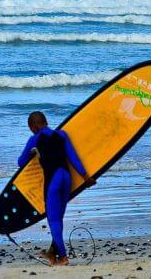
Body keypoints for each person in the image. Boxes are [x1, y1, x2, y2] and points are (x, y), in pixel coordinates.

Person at [18, 111, 95, 266]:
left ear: (33, 126)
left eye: (30, 128)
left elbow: (21, 162)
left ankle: (63, 257)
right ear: (46, 122)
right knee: (58, 219)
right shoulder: (62, 135)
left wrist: (34, 153)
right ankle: (53, 254)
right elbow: (73, 157)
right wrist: (86, 178)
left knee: (53, 220)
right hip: (67, 178)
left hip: (53, 181)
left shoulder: (34, 139)